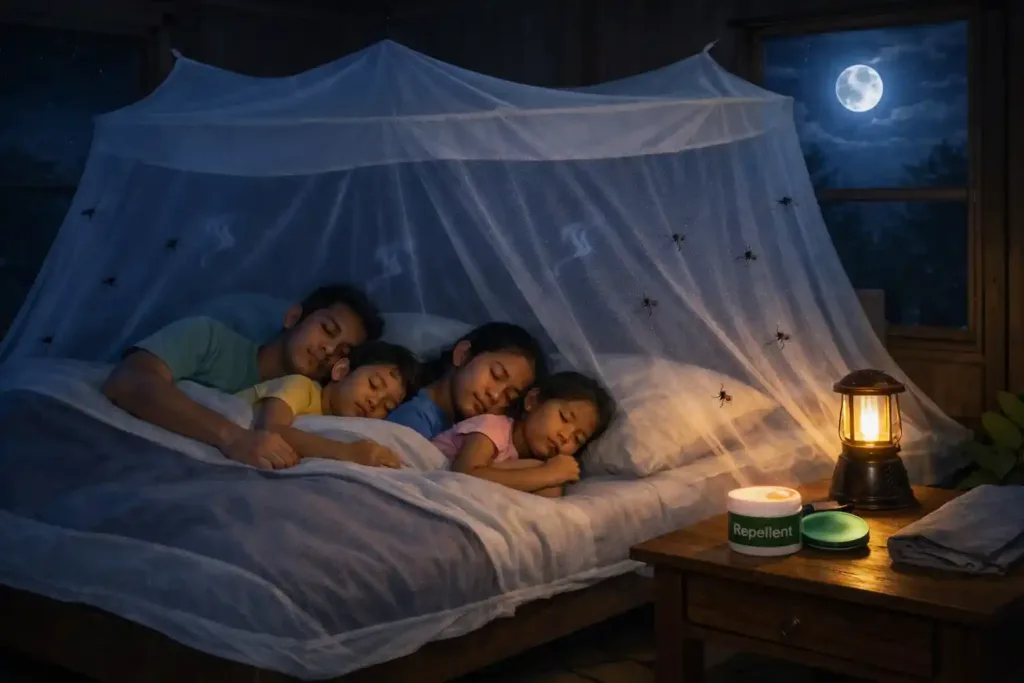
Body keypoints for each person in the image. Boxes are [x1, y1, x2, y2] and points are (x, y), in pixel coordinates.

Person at [102, 284, 383, 471]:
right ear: (293, 317)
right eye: (327, 329)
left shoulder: (309, 410)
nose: (328, 350)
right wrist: (233, 437)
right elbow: (128, 380)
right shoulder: (208, 338)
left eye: (342, 353)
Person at [237, 341, 419, 469]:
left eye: (387, 406)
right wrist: (349, 452)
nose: (374, 402)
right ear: (342, 371)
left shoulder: (335, 426)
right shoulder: (301, 387)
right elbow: (270, 430)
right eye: (374, 384)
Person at [432, 372, 615, 497]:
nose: (565, 436)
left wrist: (550, 475)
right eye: (564, 418)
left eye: (578, 439)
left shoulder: (530, 464)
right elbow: (463, 474)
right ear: (532, 401)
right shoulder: (492, 427)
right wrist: (548, 473)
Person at [386, 322, 547, 440]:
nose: (495, 395)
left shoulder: (464, 433)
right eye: (496, 374)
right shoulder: (415, 418)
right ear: (463, 354)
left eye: (509, 396)